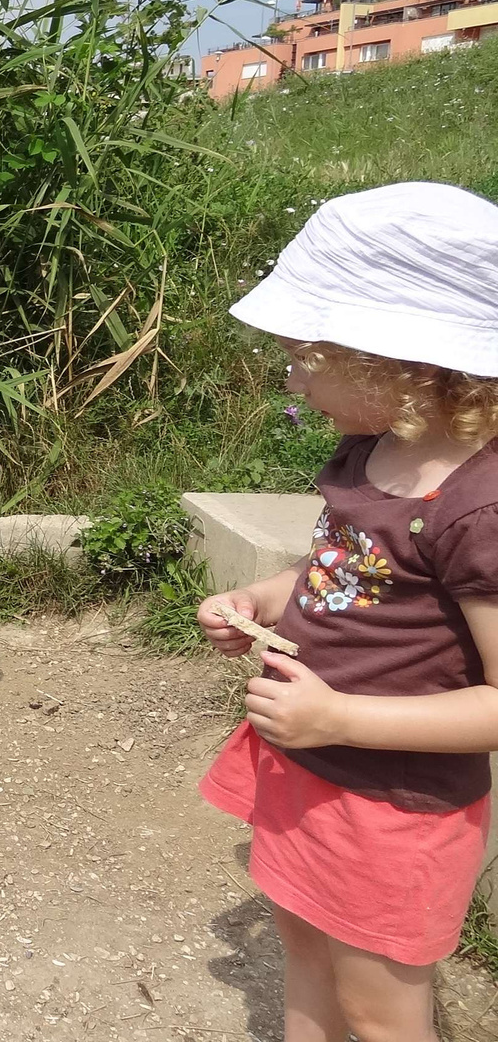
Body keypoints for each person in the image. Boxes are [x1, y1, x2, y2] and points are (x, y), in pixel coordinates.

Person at [196, 182, 498, 1041]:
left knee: (381, 1010)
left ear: (393, 359)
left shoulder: (478, 509)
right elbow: (343, 571)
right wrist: (264, 596)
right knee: (304, 945)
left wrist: (337, 715)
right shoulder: (371, 451)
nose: (291, 378)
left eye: (304, 355)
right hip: (309, 768)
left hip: (396, 806)